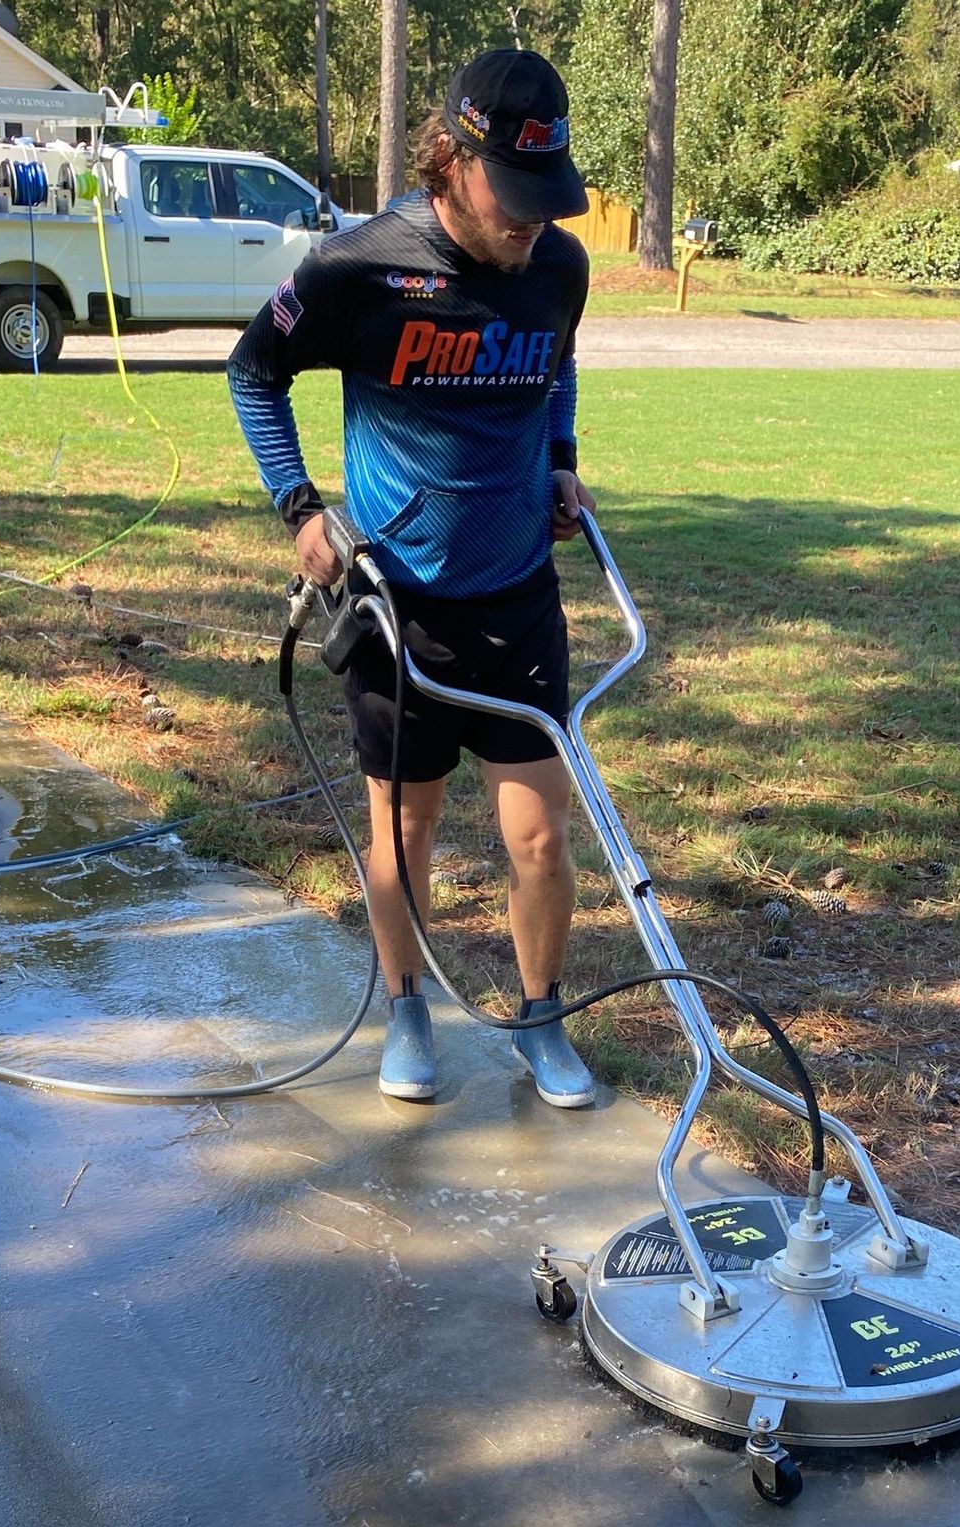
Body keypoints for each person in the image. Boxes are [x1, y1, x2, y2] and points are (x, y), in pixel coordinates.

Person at [228, 48, 598, 1106]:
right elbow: (253, 372)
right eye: (514, 197)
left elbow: (559, 358)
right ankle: (406, 1008)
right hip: (395, 604)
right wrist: (300, 508)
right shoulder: (359, 270)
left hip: (518, 596)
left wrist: (561, 462)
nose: (532, 223)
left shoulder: (558, 269)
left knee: (538, 833)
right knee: (407, 825)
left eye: (547, 199)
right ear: (452, 162)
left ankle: (541, 1017)